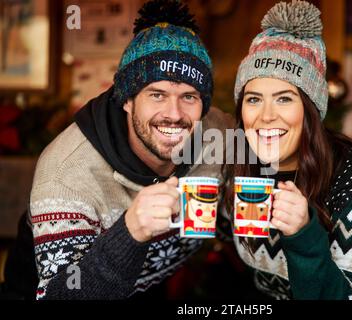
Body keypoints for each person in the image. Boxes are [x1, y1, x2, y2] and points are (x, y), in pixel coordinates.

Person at [28, 0, 233, 299]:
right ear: (127, 100)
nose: (174, 114)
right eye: (157, 94)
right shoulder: (65, 176)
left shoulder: (218, 133)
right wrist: (129, 233)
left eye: (189, 96)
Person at [221, 0, 352, 299]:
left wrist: (302, 236)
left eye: (284, 98)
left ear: (311, 110)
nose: (266, 116)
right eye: (253, 99)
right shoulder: (237, 163)